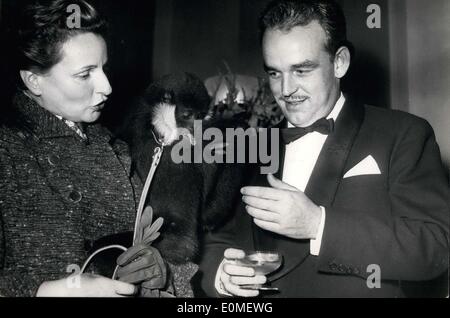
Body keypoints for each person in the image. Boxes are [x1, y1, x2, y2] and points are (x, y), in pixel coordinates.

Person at [196, 0, 449, 297]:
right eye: (275, 73)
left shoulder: (403, 134)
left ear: (339, 62)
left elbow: (436, 246)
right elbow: (217, 239)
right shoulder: (253, 146)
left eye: (302, 70)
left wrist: (318, 225)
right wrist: (221, 276)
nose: (286, 89)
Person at [0, 0, 167, 297]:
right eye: (84, 74)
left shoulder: (111, 146)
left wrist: (162, 269)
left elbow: (157, 239)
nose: (107, 87)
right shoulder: (8, 151)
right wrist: (50, 291)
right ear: (34, 81)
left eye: (103, 68)